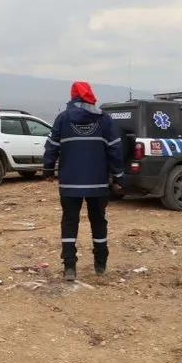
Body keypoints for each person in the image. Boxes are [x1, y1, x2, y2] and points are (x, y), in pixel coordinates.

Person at [42, 81, 124, 281]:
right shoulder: (104, 120)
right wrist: (119, 176)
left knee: (70, 222)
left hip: (69, 183)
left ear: (73, 97)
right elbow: (115, 149)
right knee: (98, 221)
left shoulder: (62, 119)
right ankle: (100, 265)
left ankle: (69, 266)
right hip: (98, 183)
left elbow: (51, 147)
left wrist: (48, 169)